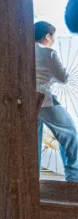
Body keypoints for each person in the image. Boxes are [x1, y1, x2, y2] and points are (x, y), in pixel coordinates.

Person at [36, 21, 78, 182]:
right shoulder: (49, 53)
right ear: (47, 36)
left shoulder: (24, 50)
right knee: (70, 134)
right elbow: (63, 78)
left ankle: (32, 179)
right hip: (45, 100)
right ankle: (74, 179)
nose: (53, 40)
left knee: (34, 143)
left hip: (27, 101)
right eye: (52, 37)